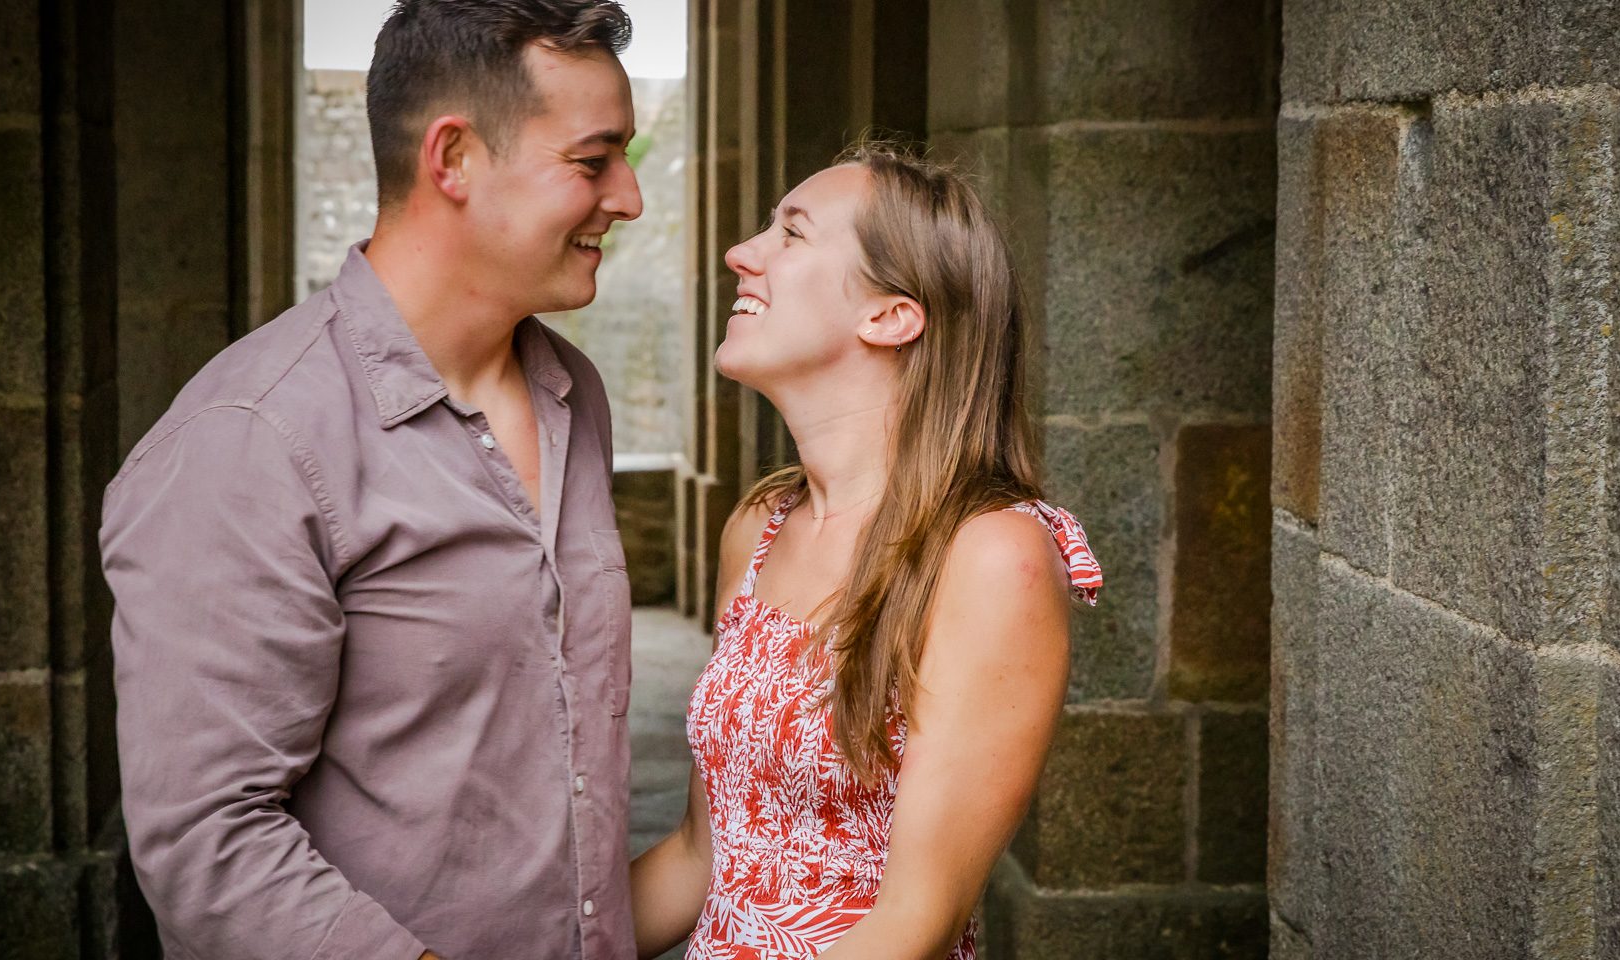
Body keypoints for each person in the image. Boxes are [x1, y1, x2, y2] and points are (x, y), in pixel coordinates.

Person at [99, 2, 642, 958]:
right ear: (454, 158)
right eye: (593, 162)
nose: (630, 197)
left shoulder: (573, 393)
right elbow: (206, 843)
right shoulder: (251, 437)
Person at [628, 143, 1103, 959]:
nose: (743, 253)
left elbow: (913, 922)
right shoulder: (760, 525)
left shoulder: (993, 557)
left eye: (792, 233)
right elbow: (701, 856)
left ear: (889, 315)